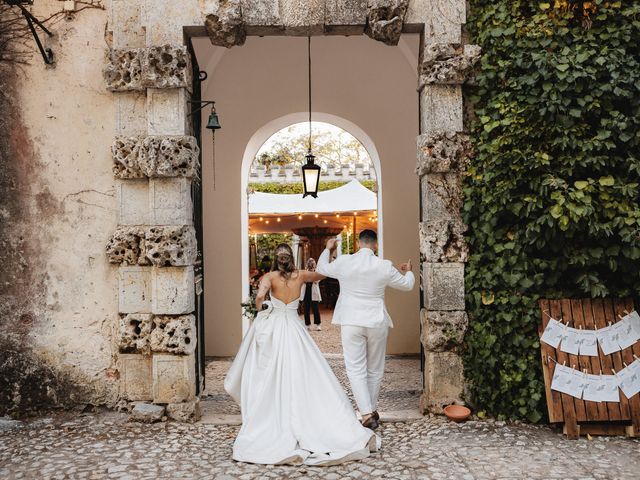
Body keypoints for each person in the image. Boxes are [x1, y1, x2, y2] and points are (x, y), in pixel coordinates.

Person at [224, 243, 377, 466]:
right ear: (291, 258)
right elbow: (324, 273)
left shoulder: (269, 277)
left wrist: (263, 306)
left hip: (275, 327)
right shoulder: (302, 275)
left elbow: (259, 298)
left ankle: (271, 410)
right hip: (294, 328)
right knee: (304, 367)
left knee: (269, 370)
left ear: (276, 259)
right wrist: (329, 250)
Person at [316, 230, 414, 430]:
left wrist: (327, 249)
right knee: (375, 368)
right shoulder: (384, 266)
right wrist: (409, 270)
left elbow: (322, 268)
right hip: (376, 321)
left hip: (351, 321)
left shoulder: (344, 262)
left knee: (355, 368)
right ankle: (370, 410)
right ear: (375, 245)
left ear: (358, 244)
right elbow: (407, 285)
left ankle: (367, 413)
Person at [300, 257, 322, 331]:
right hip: (306, 292)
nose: (311, 265)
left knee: (315, 309)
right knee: (306, 309)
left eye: (312, 263)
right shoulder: (304, 272)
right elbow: (302, 280)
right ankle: (307, 325)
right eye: (310, 263)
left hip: (314, 292)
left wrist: (311, 276)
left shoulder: (316, 272)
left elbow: (317, 280)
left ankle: (318, 324)